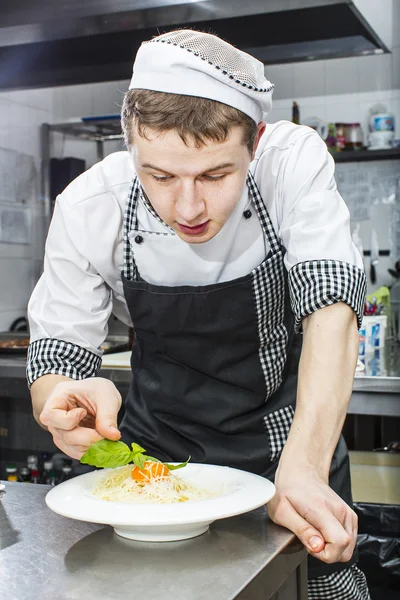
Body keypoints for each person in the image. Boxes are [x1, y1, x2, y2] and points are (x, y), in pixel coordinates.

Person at [27, 29, 370, 599]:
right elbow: (59, 355)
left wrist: (304, 468)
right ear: (129, 143)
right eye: (159, 175)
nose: (188, 208)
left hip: (291, 453)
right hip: (152, 474)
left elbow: (332, 307)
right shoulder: (91, 205)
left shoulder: (291, 163)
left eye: (215, 175)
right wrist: (63, 404)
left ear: (254, 142)